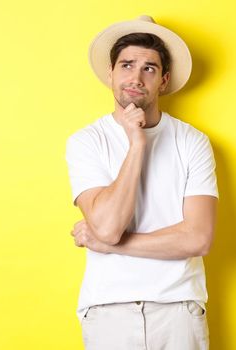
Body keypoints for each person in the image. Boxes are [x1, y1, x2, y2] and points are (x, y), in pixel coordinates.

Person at [65, 15, 217, 349]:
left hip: (178, 308)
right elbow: (106, 227)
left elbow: (198, 238)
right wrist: (136, 144)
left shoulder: (192, 141)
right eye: (127, 65)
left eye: (148, 68)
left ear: (163, 80)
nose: (135, 76)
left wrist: (109, 245)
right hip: (108, 310)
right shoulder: (86, 141)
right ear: (111, 73)